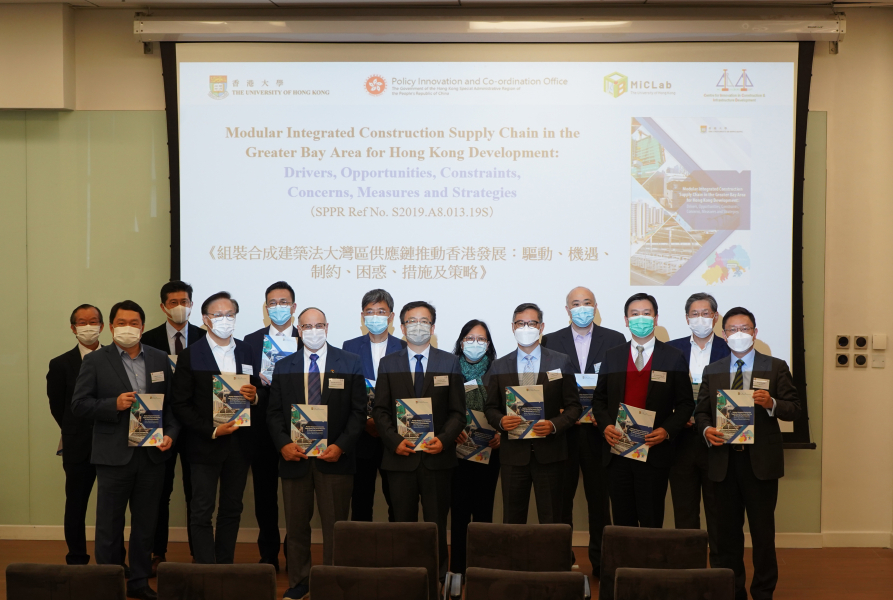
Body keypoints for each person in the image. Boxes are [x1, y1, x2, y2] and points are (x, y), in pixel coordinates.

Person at [71, 300, 179, 600]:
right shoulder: (95, 360)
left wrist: (170, 435)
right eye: (121, 323)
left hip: (152, 455)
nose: (128, 328)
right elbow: (78, 405)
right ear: (111, 326)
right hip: (113, 456)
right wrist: (113, 404)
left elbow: (172, 407)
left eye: (134, 323)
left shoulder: (159, 359)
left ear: (142, 327)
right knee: (109, 525)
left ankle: (139, 582)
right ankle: (108, 584)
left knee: (145, 525)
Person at [695, 307, 800, 600]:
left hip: (760, 464)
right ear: (723, 334)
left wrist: (771, 403)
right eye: (732, 329)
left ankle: (763, 591)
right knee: (726, 535)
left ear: (755, 333)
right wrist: (706, 430)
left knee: (763, 534)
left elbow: (794, 409)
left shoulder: (775, 366)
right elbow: (701, 412)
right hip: (723, 462)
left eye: (745, 329)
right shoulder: (713, 369)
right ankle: (731, 590)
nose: (738, 334)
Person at [266, 307, 366, 600]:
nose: (313, 331)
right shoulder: (284, 366)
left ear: (327, 327)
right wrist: (283, 444)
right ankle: (300, 582)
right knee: (296, 527)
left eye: (318, 325)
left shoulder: (350, 362)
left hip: (335, 459)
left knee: (335, 527)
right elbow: (273, 413)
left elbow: (359, 412)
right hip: (294, 458)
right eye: (307, 326)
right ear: (298, 330)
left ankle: (333, 582)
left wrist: (341, 446)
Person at [371, 301, 465, 585]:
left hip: (438, 459)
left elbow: (458, 413)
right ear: (402, 327)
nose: (418, 326)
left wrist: (444, 440)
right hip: (400, 458)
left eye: (424, 321)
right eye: (412, 321)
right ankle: (405, 579)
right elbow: (380, 410)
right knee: (402, 524)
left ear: (433, 328)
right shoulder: (389, 363)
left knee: (437, 524)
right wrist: (394, 441)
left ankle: (438, 578)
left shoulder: (449, 362)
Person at [170, 292, 260, 565]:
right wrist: (211, 430)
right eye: (218, 315)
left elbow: (261, 392)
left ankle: (224, 566)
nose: (224, 320)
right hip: (204, 444)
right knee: (201, 510)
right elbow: (180, 403)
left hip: (240, 445)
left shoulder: (247, 351)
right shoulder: (191, 354)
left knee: (232, 509)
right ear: (206, 319)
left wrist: (255, 396)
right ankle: (205, 568)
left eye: (229, 314)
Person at [591, 293, 693, 529]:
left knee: (651, 520)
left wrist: (666, 431)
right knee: (622, 522)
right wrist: (606, 426)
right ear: (626, 320)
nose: (640, 318)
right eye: (634, 314)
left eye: (646, 314)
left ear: (656, 318)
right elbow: (599, 400)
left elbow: (686, 404)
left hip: (654, 452)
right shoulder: (612, 355)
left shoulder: (673, 356)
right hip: (618, 451)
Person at [542, 287, 625, 573]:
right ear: (567, 310)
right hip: (563, 434)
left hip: (600, 434)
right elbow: (546, 384)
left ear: (596, 306)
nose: (582, 308)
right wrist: (558, 411)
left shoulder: (614, 340)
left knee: (599, 501)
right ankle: (560, 559)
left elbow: (617, 386)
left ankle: (602, 562)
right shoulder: (551, 340)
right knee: (560, 501)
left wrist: (607, 417)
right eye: (575, 304)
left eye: (587, 303)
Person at [484, 303, 581, 526]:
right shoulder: (499, 365)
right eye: (520, 323)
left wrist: (554, 425)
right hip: (513, 456)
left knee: (552, 519)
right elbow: (490, 408)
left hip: (550, 454)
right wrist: (501, 421)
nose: (525, 328)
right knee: (512, 520)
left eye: (532, 323)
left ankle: (552, 553)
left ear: (541, 327)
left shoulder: (561, 361)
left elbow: (574, 407)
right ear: (512, 327)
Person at [140, 280, 206, 573]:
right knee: (159, 492)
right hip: (161, 426)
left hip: (196, 428)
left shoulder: (206, 338)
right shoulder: (148, 339)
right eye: (174, 302)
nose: (180, 307)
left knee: (196, 493)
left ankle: (199, 553)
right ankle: (158, 552)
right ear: (163, 306)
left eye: (185, 301)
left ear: (192, 304)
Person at [666, 292, 730, 566]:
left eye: (706, 313)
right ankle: (687, 569)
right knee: (684, 511)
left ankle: (719, 570)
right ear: (686, 318)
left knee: (718, 511)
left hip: (717, 440)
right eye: (695, 313)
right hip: (680, 441)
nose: (700, 318)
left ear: (715, 317)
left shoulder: (729, 349)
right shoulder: (671, 350)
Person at [244, 281, 303, 571]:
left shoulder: (306, 338)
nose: (278, 307)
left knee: (298, 495)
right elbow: (245, 383)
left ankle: (295, 551)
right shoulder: (251, 341)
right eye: (272, 303)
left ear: (294, 307)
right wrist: (257, 390)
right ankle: (268, 552)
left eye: (284, 302)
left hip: (299, 428)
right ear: (266, 308)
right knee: (265, 494)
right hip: (261, 428)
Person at [47, 304, 106, 566]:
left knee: (111, 506)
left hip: (112, 443)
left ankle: (113, 559)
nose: (88, 326)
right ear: (73, 328)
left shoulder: (115, 358)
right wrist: (76, 430)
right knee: (76, 505)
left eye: (93, 321)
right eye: (82, 322)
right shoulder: (60, 364)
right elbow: (57, 407)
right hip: (77, 445)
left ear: (102, 326)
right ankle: (77, 559)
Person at [342, 288, 404, 523]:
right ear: (362, 316)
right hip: (361, 435)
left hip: (395, 436)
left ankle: (397, 544)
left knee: (397, 500)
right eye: (370, 312)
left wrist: (384, 424)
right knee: (361, 500)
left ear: (391, 316)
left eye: (381, 311)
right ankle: (360, 546)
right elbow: (346, 392)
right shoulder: (349, 347)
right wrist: (366, 421)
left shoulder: (405, 348)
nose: (375, 316)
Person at [449, 320, 500, 578]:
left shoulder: (498, 370)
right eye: (470, 338)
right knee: (458, 513)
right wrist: (450, 431)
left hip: (489, 452)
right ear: (461, 342)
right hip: (455, 453)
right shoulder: (448, 369)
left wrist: (502, 433)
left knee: (483, 512)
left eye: (481, 339)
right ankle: (457, 569)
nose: (475, 343)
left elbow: (506, 408)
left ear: (488, 344)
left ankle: (481, 570)